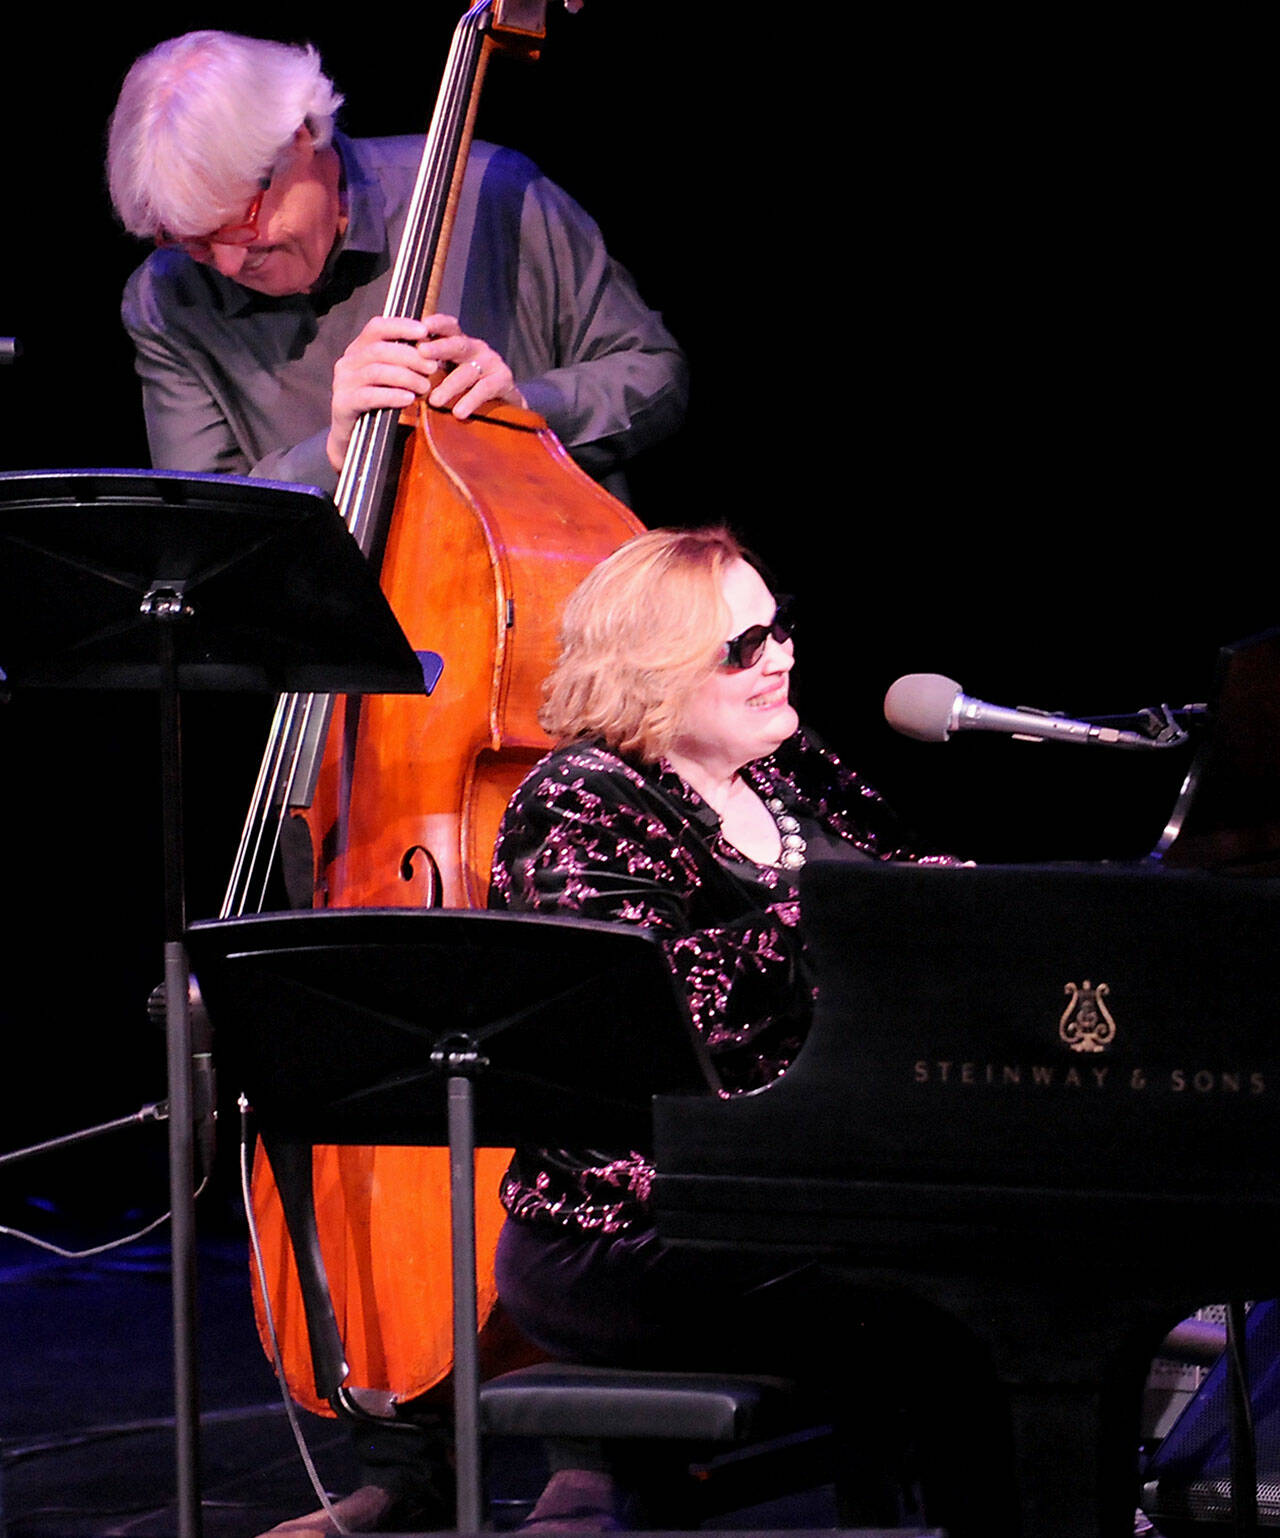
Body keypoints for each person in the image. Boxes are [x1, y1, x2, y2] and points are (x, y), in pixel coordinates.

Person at [487, 526, 1007, 1533]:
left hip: (802, 1183)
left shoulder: (787, 773)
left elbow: (900, 904)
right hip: (626, 1229)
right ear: (652, 666)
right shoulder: (582, 799)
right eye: (743, 643)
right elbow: (636, 1015)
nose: (780, 655)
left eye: (779, 629)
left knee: (1012, 1235)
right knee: (962, 1277)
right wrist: (838, 916)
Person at [106, 30, 687, 501]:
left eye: (242, 223)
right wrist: (334, 452)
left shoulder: (494, 196)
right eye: (194, 242)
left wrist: (526, 410)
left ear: (302, 137)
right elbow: (208, 516)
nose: (228, 263)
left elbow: (655, 375)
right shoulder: (167, 297)